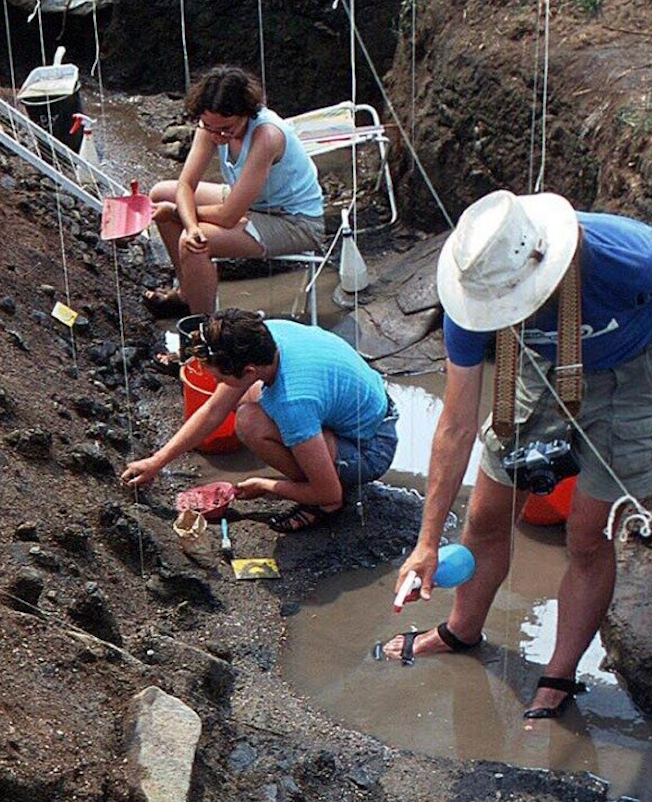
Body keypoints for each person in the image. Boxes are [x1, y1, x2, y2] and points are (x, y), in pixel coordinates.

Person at [382, 190, 652, 719]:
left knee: (584, 533)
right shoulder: (471, 288)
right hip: (535, 370)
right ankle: (462, 630)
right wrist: (426, 543)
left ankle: (560, 674)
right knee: (484, 516)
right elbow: (456, 422)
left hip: (632, 373)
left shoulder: (629, 256)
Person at [121, 309, 398, 532]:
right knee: (245, 404)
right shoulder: (266, 336)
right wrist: (157, 461)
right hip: (364, 408)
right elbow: (213, 411)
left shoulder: (292, 402)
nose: (215, 382)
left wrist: (266, 486)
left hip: (370, 446)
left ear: (249, 370)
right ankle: (313, 469)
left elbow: (330, 492)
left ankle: (322, 508)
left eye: (218, 376)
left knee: (250, 422)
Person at [143, 66, 326, 317]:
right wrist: (189, 221)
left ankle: (204, 330)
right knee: (161, 192)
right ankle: (188, 292)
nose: (217, 136)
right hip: (253, 203)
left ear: (246, 115)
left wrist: (179, 215)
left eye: (226, 130)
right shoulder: (212, 125)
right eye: (209, 127)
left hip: (293, 220)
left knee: (193, 243)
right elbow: (185, 184)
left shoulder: (267, 136)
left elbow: (228, 216)